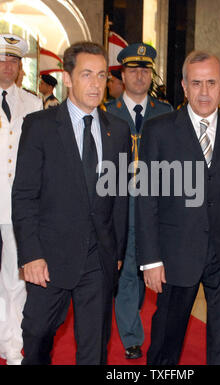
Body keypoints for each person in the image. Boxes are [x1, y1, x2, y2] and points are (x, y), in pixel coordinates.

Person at [11, 41, 131, 365]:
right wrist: (32, 254)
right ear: (67, 78)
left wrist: (117, 252)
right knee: (36, 336)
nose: (96, 84)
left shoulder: (118, 132)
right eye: (87, 74)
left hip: (99, 258)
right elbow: (24, 195)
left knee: (94, 349)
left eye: (102, 76)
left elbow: (120, 196)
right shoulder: (39, 127)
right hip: (49, 258)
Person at [135, 50, 220, 365]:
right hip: (175, 254)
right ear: (184, 87)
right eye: (196, 83)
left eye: (211, 83)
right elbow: (146, 199)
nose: (204, 92)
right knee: (167, 340)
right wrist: (150, 260)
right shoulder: (159, 131)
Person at [106, 42, 173, 360]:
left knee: (162, 270)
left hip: (158, 207)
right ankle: (132, 336)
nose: (139, 76)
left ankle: (165, 331)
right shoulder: (107, 113)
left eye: (145, 70)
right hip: (121, 206)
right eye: (133, 70)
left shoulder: (166, 112)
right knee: (128, 271)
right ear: (122, 74)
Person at [0, 33, 42, 365]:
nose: (7, 66)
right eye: (2, 59)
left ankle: (13, 346)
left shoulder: (33, 103)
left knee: (16, 279)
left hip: (17, 207)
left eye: (13, 60)